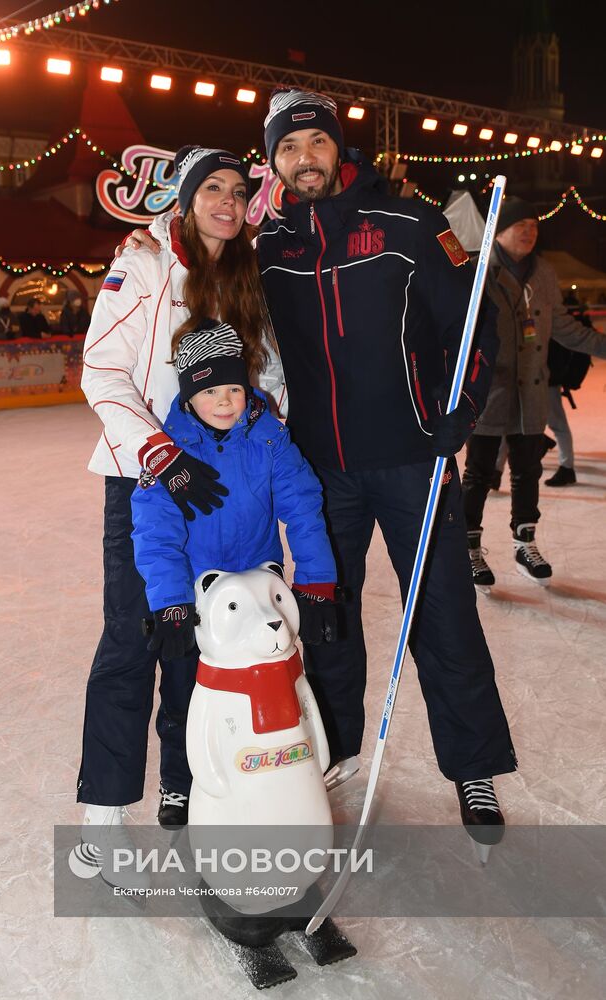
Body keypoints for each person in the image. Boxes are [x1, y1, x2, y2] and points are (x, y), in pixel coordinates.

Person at [124, 91, 517, 837]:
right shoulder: (271, 246)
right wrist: (145, 237)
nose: (304, 158)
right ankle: (329, 753)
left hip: (410, 462)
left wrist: (454, 414)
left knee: (442, 615)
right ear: (272, 161)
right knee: (324, 616)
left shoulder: (407, 223)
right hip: (320, 470)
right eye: (288, 148)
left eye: (315, 143)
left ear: (338, 148)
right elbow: (199, 255)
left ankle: (473, 770)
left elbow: (473, 323)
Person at [75, 146, 284, 883]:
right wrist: (161, 455)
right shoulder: (144, 265)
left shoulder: (247, 276)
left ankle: (195, 790)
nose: (226, 201)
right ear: (187, 196)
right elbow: (101, 368)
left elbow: (270, 378)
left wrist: (264, 448)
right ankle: (102, 823)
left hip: (225, 493)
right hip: (149, 482)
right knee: (133, 643)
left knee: (207, 648)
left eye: (237, 190)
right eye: (213, 189)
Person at [131, 318, 337, 671]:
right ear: (188, 397)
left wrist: (315, 582)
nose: (224, 402)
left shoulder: (271, 441)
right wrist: (171, 602)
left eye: (233, 389)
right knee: (188, 693)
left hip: (261, 594)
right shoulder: (170, 458)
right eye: (209, 391)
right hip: (197, 598)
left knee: (272, 680)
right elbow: (156, 533)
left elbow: (304, 510)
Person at [461, 198, 606, 587]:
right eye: (520, 224)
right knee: (479, 473)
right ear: (501, 230)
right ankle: (469, 547)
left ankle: (525, 542)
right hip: (491, 391)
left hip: (531, 394)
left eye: (534, 225)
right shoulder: (480, 273)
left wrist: (601, 345)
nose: (529, 231)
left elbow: (562, 326)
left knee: (528, 470)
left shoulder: (543, 273)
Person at [544, 292, 594, 487]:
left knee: (558, 424)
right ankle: (540, 443)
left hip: (547, 381)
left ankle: (567, 468)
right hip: (538, 380)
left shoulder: (554, 320)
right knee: (522, 420)